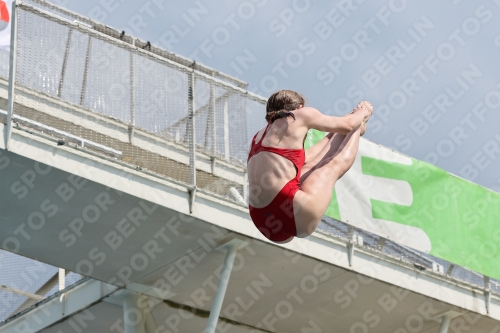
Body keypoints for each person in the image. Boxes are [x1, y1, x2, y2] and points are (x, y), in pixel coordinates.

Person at [247, 90, 373, 243]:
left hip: (261, 218)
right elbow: (346, 126)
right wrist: (362, 112)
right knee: (331, 167)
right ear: (299, 107)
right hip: (291, 211)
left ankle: (357, 126)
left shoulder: (259, 136)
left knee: (310, 166)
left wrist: (343, 126)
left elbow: (308, 158)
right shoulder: (300, 115)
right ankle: (358, 129)